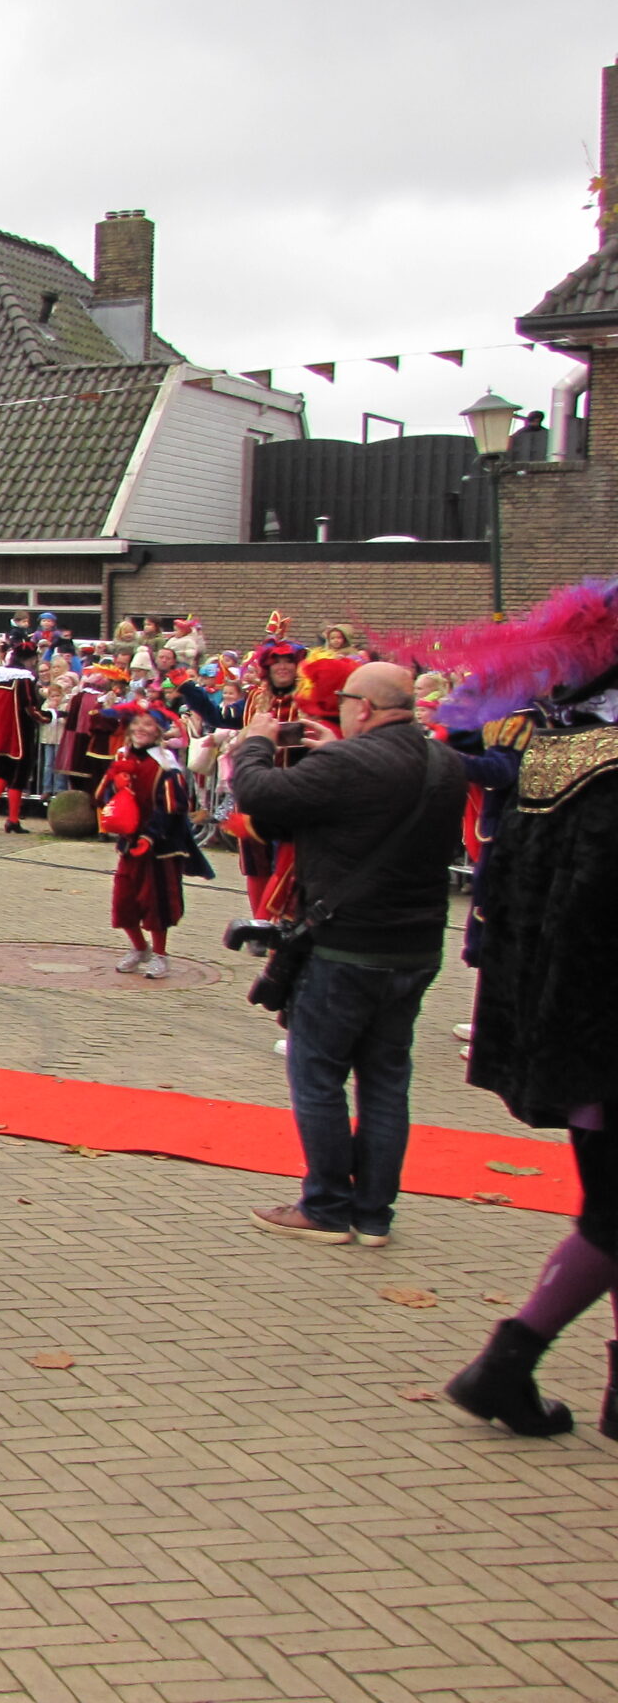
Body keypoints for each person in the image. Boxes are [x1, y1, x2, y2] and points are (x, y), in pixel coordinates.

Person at [423, 580, 618, 1437]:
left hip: (574, 1027)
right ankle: (507, 1361)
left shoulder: (556, 752)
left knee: (610, 1209)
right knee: (612, 1217)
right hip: (602, 1029)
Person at [228, 659, 467, 1246]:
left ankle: (327, 1207)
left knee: (318, 1074)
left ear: (362, 707)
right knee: (386, 1081)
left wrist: (255, 741)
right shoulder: (445, 761)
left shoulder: (349, 763)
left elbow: (259, 794)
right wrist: (338, 749)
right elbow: (381, 795)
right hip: (415, 946)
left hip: (346, 944)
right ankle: (374, 1215)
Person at [95, 703, 213, 979]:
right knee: (123, 902)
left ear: (159, 731)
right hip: (130, 843)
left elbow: (171, 808)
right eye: (136, 723)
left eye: (147, 724)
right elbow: (102, 797)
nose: (140, 729)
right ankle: (139, 948)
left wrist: (150, 836)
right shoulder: (122, 757)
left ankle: (160, 955)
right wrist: (116, 783)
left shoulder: (166, 765)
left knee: (156, 903)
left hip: (161, 847)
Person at [226, 629, 308, 919]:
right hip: (258, 786)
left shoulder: (307, 698)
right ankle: (258, 924)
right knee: (255, 861)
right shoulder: (255, 698)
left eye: (288, 662)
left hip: (294, 788)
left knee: (288, 859)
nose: (283, 667)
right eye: (276, 662)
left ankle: (280, 920)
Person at [0, 640, 44, 830]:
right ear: (29, 659)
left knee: (3, 770)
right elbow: (30, 707)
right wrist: (49, 716)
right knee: (19, 774)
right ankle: (12, 819)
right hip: (20, 732)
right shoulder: (24, 679)